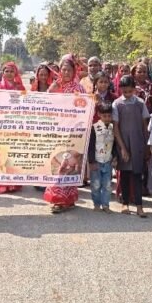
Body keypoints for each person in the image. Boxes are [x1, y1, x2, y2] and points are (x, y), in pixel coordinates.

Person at [45, 54, 86, 213]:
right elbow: (46, 104)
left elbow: (85, 108)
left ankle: (68, 199)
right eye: (63, 70)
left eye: (69, 70)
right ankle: (58, 199)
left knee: (69, 165)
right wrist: (52, 90)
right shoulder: (55, 86)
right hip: (57, 132)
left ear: (74, 70)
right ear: (59, 71)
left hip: (74, 133)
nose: (66, 73)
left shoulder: (79, 88)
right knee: (58, 164)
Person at [112, 75, 149, 218]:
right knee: (125, 176)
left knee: (137, 175)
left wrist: (146, 144)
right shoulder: (117, 104)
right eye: (124, 91)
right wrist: (122, 148)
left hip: (138, 143)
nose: (126, 94)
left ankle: (140, 206)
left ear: (134, 90)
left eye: (129, 91)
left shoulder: (140, 103)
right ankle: (125, 203)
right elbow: (116, 128)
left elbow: (144, 125)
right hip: (124, 144)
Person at [0, 62, 25, 194]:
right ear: (2, 73)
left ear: (15, 73)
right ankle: (2, 184)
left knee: (13, 154)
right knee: (0, 154)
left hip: (15, 126)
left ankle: (13, 183)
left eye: (12, 71)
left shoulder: (20, 88)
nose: (9, 74)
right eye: (7, 71)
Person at [87, 103, 115, 213]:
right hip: (97, 161)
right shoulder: (94, 128)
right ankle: (97, 204)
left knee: (107, 185)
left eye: (109, 116)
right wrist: (91, 161)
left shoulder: (113, 128)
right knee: (96, 184)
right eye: (105, 116)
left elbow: (115, 144)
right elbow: (91, 145)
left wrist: (115, 157)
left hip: (108, 160)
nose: (107, 118)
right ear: (99, 115)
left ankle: (106, 205)